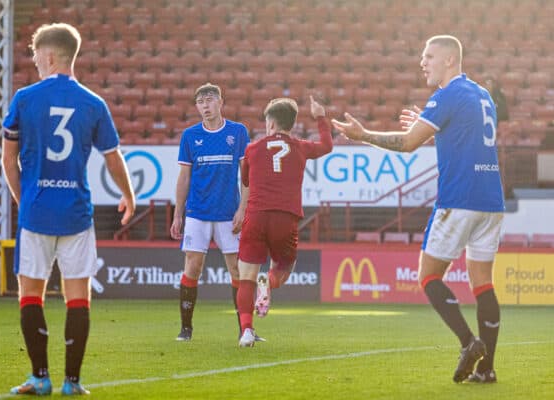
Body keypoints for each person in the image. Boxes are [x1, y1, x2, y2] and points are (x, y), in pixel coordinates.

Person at [332, 35, 504, 383]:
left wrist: (363, 134)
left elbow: (408, 144)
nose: (422, 62)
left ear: (450, 60)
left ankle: (469, 343)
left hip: (460, 199)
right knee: (482, 283)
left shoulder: (447, 94)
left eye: (429, 56)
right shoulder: (482, 95)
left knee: (428, 275)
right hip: (491, 200)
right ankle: (486, 370)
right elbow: (462, 134)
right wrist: (431, 127)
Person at [2, 23, 136, 395]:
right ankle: (72, 382)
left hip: (37, 213)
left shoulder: (24, 99)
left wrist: (22, 198)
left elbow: (8, 160)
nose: (35, 64)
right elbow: (113, 158)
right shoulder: (94, 103)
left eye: (35, 58)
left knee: (30, 295)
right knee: (79, 297)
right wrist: (129, 194)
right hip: (77, 214)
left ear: (47, 57)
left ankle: (39, 377)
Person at [170, 82, 263, 342]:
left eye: (209, 100)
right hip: (197, 213)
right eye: (200, 102)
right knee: (193, 267)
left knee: (237, 270)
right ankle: (186, 329)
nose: (205, 106)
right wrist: (178, 214)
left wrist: (243, 210)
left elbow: (247, 176)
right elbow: (184, 177)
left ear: (221, 102)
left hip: (228, 213)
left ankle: (245, 329)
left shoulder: (237, 132)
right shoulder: (190, 136)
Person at [237, 96, 333, 347]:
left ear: (270, 124)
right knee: (285, 265)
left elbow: (245, 180)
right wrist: (321, 116)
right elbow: (326, 146)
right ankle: (268, 282)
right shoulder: (300, 146)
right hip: (286, 217)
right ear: (291, 125)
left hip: (256, 216)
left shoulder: (252, 149)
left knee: (245, 276)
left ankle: (246, 330)